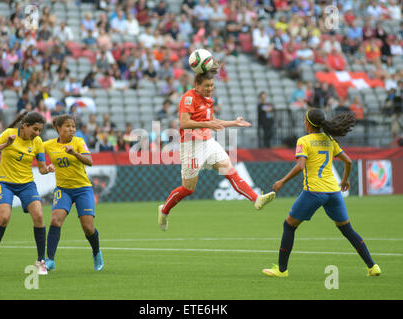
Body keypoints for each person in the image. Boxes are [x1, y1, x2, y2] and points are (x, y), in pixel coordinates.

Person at [158, 61, 276, 231]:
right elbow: (184, 123)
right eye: (206, 85)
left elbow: (212, 122)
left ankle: (256, 199)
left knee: (229, 170)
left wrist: (233, 122)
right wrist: (208, 124)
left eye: (212, 85)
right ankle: (164, 210)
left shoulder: (208, 99)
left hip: (208, 142)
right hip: (191, 146)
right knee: (188, 188)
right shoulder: (188, 98)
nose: (210, 88)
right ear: (197, 84)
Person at [262, 108, 381, 277]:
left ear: (307, 123)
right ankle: (372, 266)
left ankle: (282, 270)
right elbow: (349, 161)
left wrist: (282, 181)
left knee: (289, 226)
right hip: (333, 192)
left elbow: (300, 166)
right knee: (347, 229)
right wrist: (345, 180)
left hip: (314, 191)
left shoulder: (304, 141)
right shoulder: (329, 140)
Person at [0, 111, 55, 277]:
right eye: (35, 129)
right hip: (5, 182)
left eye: (39, 131)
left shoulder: (37, 142)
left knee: (38, 215)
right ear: (25, 126)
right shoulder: (9, 134)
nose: (37, 133)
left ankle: (40, 261)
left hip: (26, 184)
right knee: (4, 218)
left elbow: (42, 168)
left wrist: (47, 169)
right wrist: (5, 145)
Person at [43, 114, 104, 271]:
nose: (72, 129)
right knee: (55, 220)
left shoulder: (78, 142)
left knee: (88, 228)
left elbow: (89, 161)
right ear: (58, 128)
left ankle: (97, 253)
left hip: (83, 189)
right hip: (63, 189)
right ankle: (50, 259)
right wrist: (47, 167)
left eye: (73, 126)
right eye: (68, 126)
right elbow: (36, 154)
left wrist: (74, 153)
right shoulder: (49, 145)